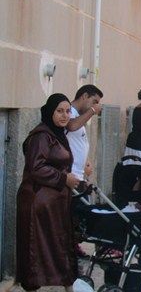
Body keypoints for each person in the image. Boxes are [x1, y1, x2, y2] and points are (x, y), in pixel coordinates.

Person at [16, 93, 80, 291]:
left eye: (67, 111)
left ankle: (67, 285)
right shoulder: (42, 136)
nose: (64, 115)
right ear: (50, 112)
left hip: (53, 204)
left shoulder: (57, 134)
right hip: (38, 204)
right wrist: (64, 179)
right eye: (59, 111)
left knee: (58, 247)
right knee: (36, 250)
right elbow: (36, 167)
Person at [67, 84, 103, 181]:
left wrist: (85, 161)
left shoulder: (79, 116)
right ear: (85, 96)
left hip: (79, 175)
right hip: (71, 175)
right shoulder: (68, 111)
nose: (95, 105)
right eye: (94, 102)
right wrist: (92, 110)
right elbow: (71, 126)